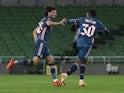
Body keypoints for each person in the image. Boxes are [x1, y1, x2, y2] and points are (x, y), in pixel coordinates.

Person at [6, 6, 66, 86]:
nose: (55, 14)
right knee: (35, 63)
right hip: (42, 43)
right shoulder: (48, 19)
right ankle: (14, 62)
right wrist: (59, 23)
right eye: (54, 12)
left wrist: (36, 41)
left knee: (51, 61)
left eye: (56, 12)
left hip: (42, 43)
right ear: (49, 13)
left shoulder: (42, 21)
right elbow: (48, 24)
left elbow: (34, 32)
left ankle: (55, 81)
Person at [61, 9, 110, 86]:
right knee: (79, 61)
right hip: (87, 44)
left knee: (84, 60)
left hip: (79, 43)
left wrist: (66, 21)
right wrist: (100, 31)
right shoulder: (98, 23)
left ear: (88, 14)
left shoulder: (83, 19)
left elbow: (72, 21)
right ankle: (65, 74)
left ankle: (81, 80)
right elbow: (107, 32)